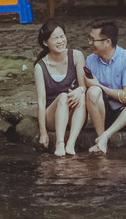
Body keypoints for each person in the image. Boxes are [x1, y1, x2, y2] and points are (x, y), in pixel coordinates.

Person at [83, 19, 126, 154]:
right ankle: (101, 138)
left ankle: (104, 137)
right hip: (103, 115)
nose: (89, 43)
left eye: (93, 39)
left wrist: (100, 86)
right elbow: (90, 92)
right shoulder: (90, 60)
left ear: (107, 42)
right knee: (93, 91)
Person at [33, 20, 88, 156]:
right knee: (63, 96)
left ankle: (71, 144)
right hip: (53, 116)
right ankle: (60, 144)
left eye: (62, 36)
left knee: (81, 95)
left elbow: (84, 86)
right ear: (46, 43)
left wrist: (79, 91)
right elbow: (41, 102)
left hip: (74, 114)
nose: (60, 41)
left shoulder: (76, 56)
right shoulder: (40, 67)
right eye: (55, 38)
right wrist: (43, 132)